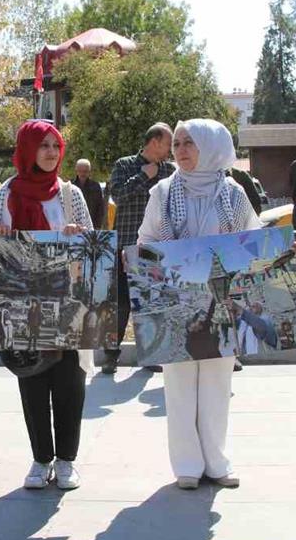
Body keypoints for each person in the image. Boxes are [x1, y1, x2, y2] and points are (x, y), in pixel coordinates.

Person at [137, 119, 259, 490]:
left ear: (211, 147)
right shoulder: (162, 192)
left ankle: (217, 463)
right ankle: (187, 466)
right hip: (176, 304)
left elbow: (253, 240)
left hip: (221, 303)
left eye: (189, 142)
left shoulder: (234, 193)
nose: (181, 150)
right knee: (179, 385)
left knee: (218, 384)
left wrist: (280, 252)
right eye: (176, 143)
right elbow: (146, 240)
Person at [0, 120, 94, 490]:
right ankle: (41, 459)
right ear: (27, 150)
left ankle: (66, 461)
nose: (50, 152)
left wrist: (79, 236)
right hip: (21, 305)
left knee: (69, 383)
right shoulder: (6, 193)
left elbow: (94, 246)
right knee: (32, 382)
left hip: (67, 304)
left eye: (55, 145)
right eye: (43, 145)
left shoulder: (70, 195)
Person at [104, 123, 176, 374]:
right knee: (121, 305)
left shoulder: (169, 170)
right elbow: (118, 196)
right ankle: (110, 356)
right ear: (154, 142)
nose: (170, 150)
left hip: (155, 248)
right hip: (125, 246)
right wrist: (143, 176)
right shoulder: (124, 165)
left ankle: (151, 355)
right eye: (168, 144)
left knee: (151, 305)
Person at [71, 158, 106, 230]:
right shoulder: (70, 186)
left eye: (85, 171)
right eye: (80, 171)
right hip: (73, 227)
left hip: (91, 226)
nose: (83, 174)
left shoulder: (95, 186)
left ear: (89, 171)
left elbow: (100, 208)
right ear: (76, 171)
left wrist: (97, 226)